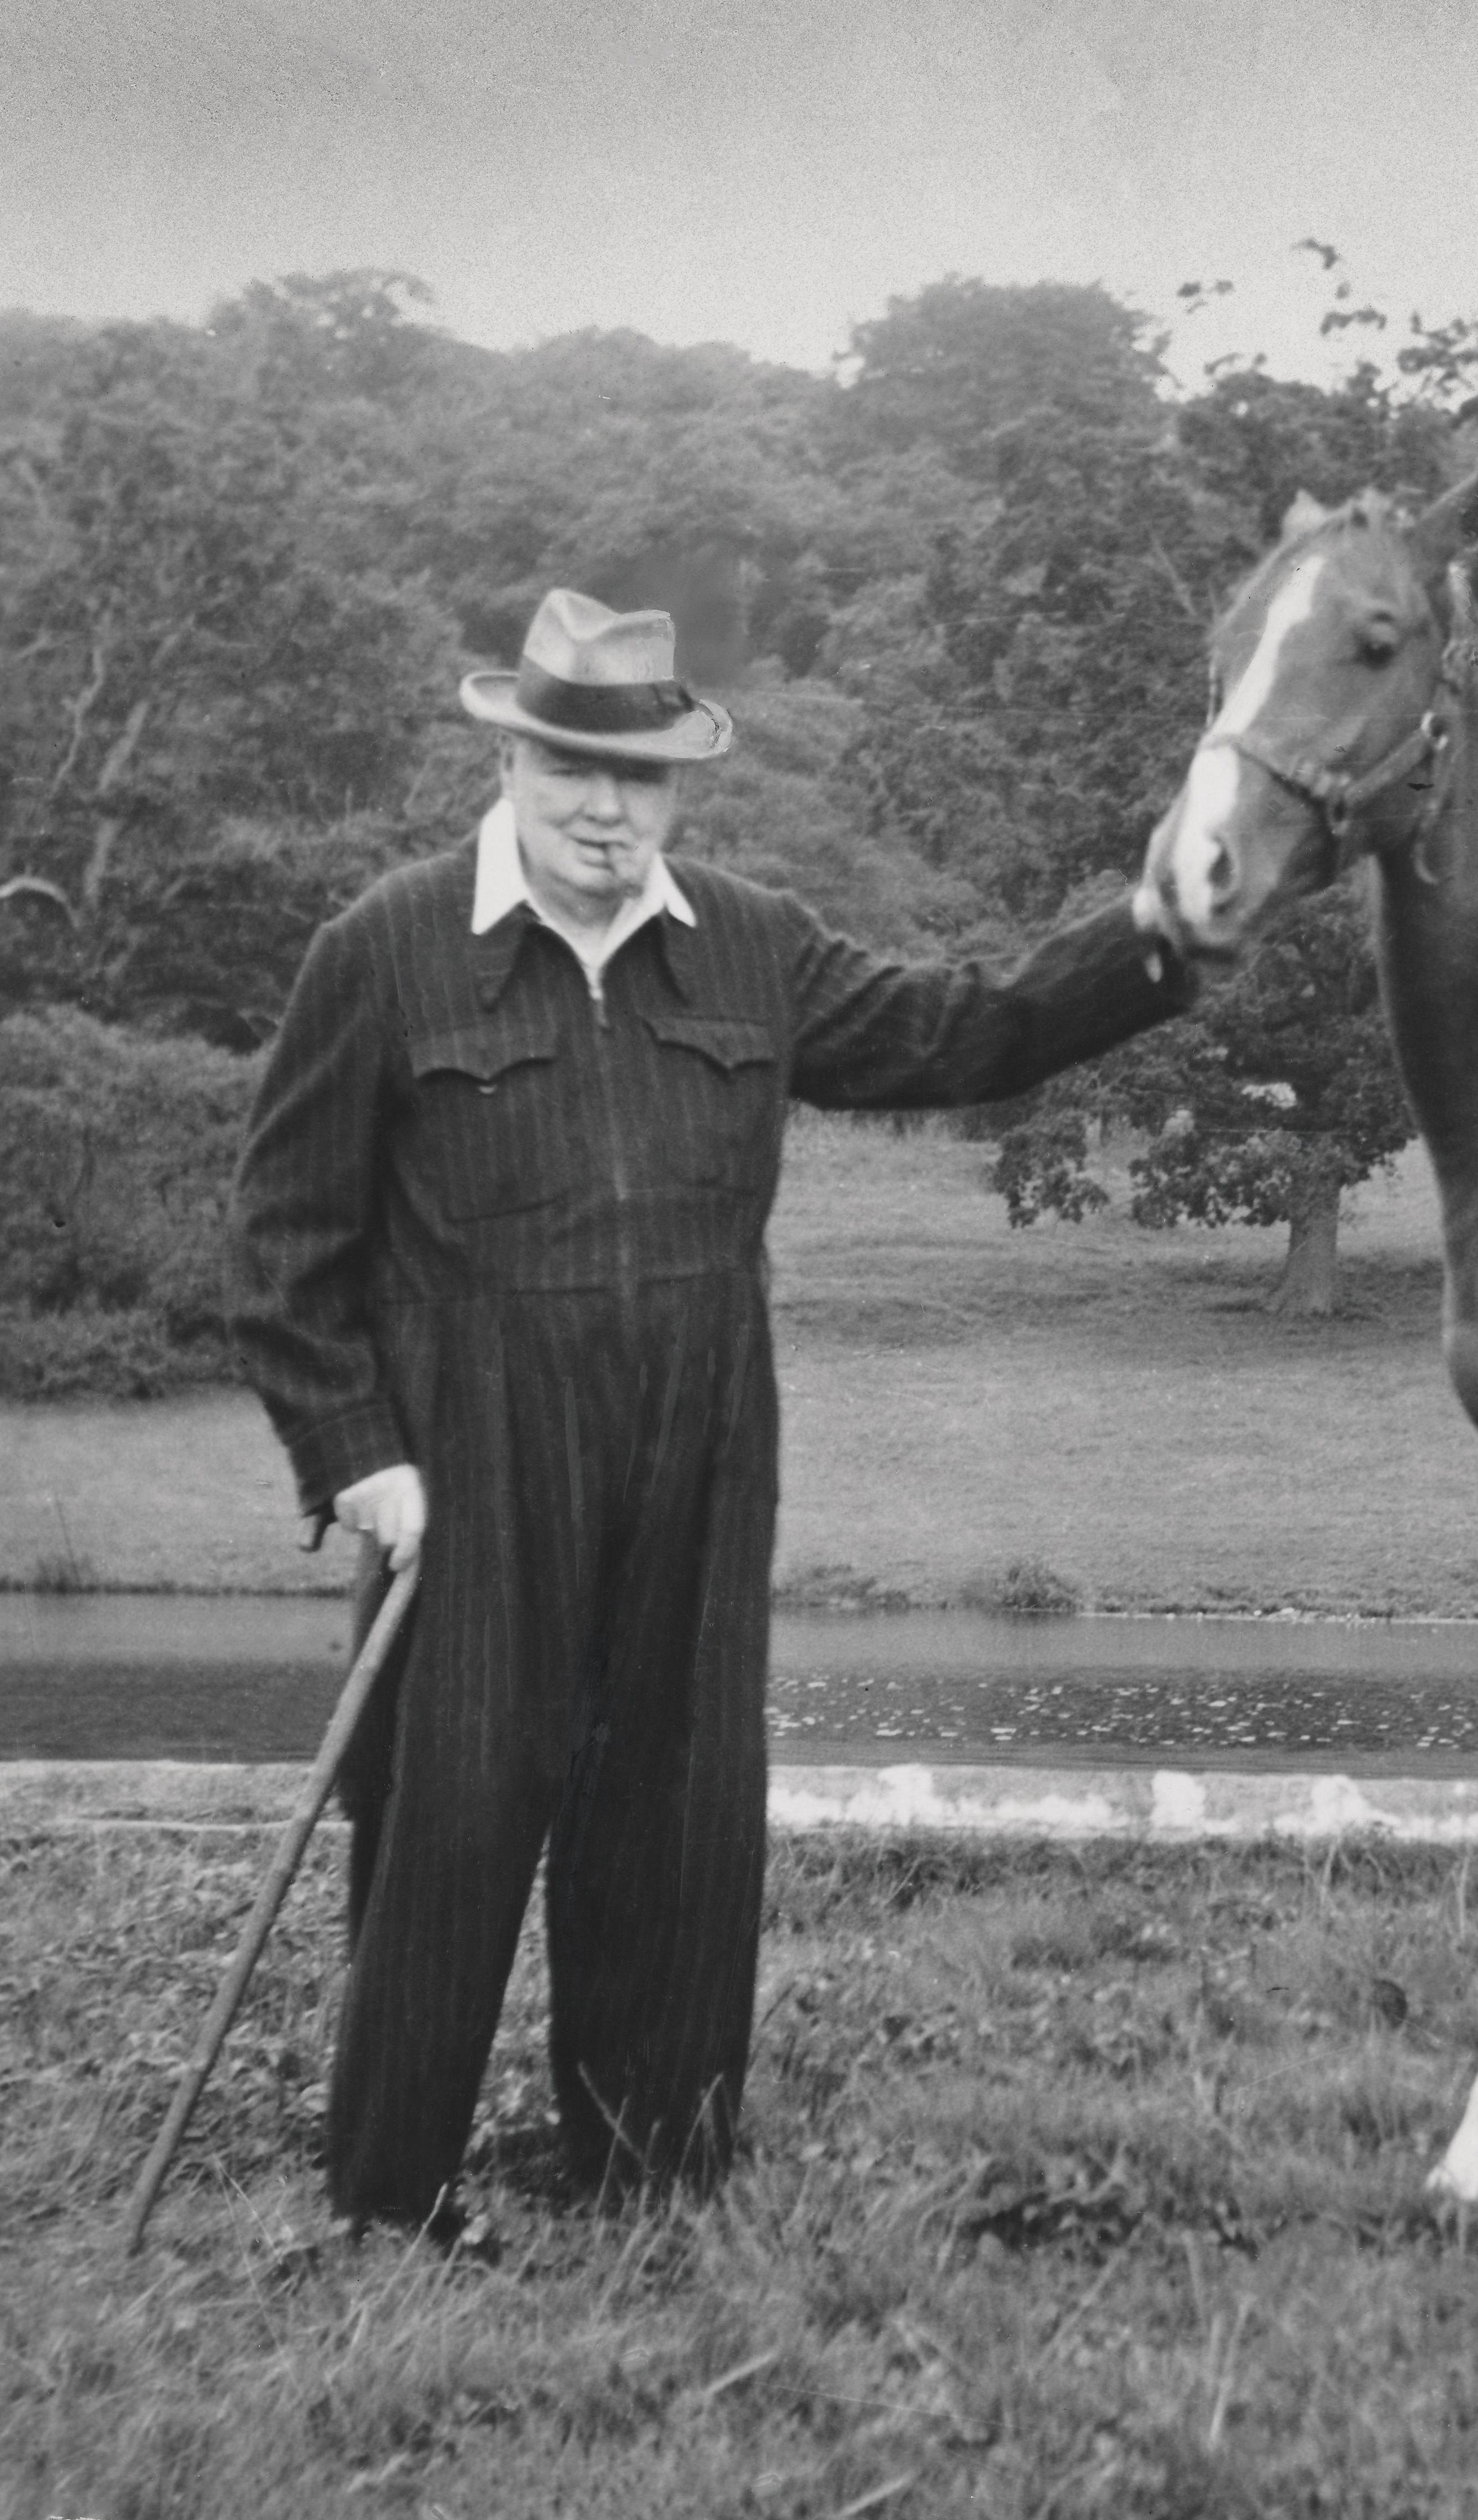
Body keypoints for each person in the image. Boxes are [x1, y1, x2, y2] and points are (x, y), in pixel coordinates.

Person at [233, 588, 1192, 2226]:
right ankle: (388, 2199)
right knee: (446, 1826)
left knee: (675, 1815)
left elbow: (963, 1031)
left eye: (643, 780)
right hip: (468, 1469)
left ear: (680, 785)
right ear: (516, 761)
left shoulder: (753, 940)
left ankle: (648, 2175)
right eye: (573, 775)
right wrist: (357, 1458)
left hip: (704, 1447)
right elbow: (283, 1245)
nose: (607, 812)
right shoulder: (382, 953)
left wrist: (1162, 934)